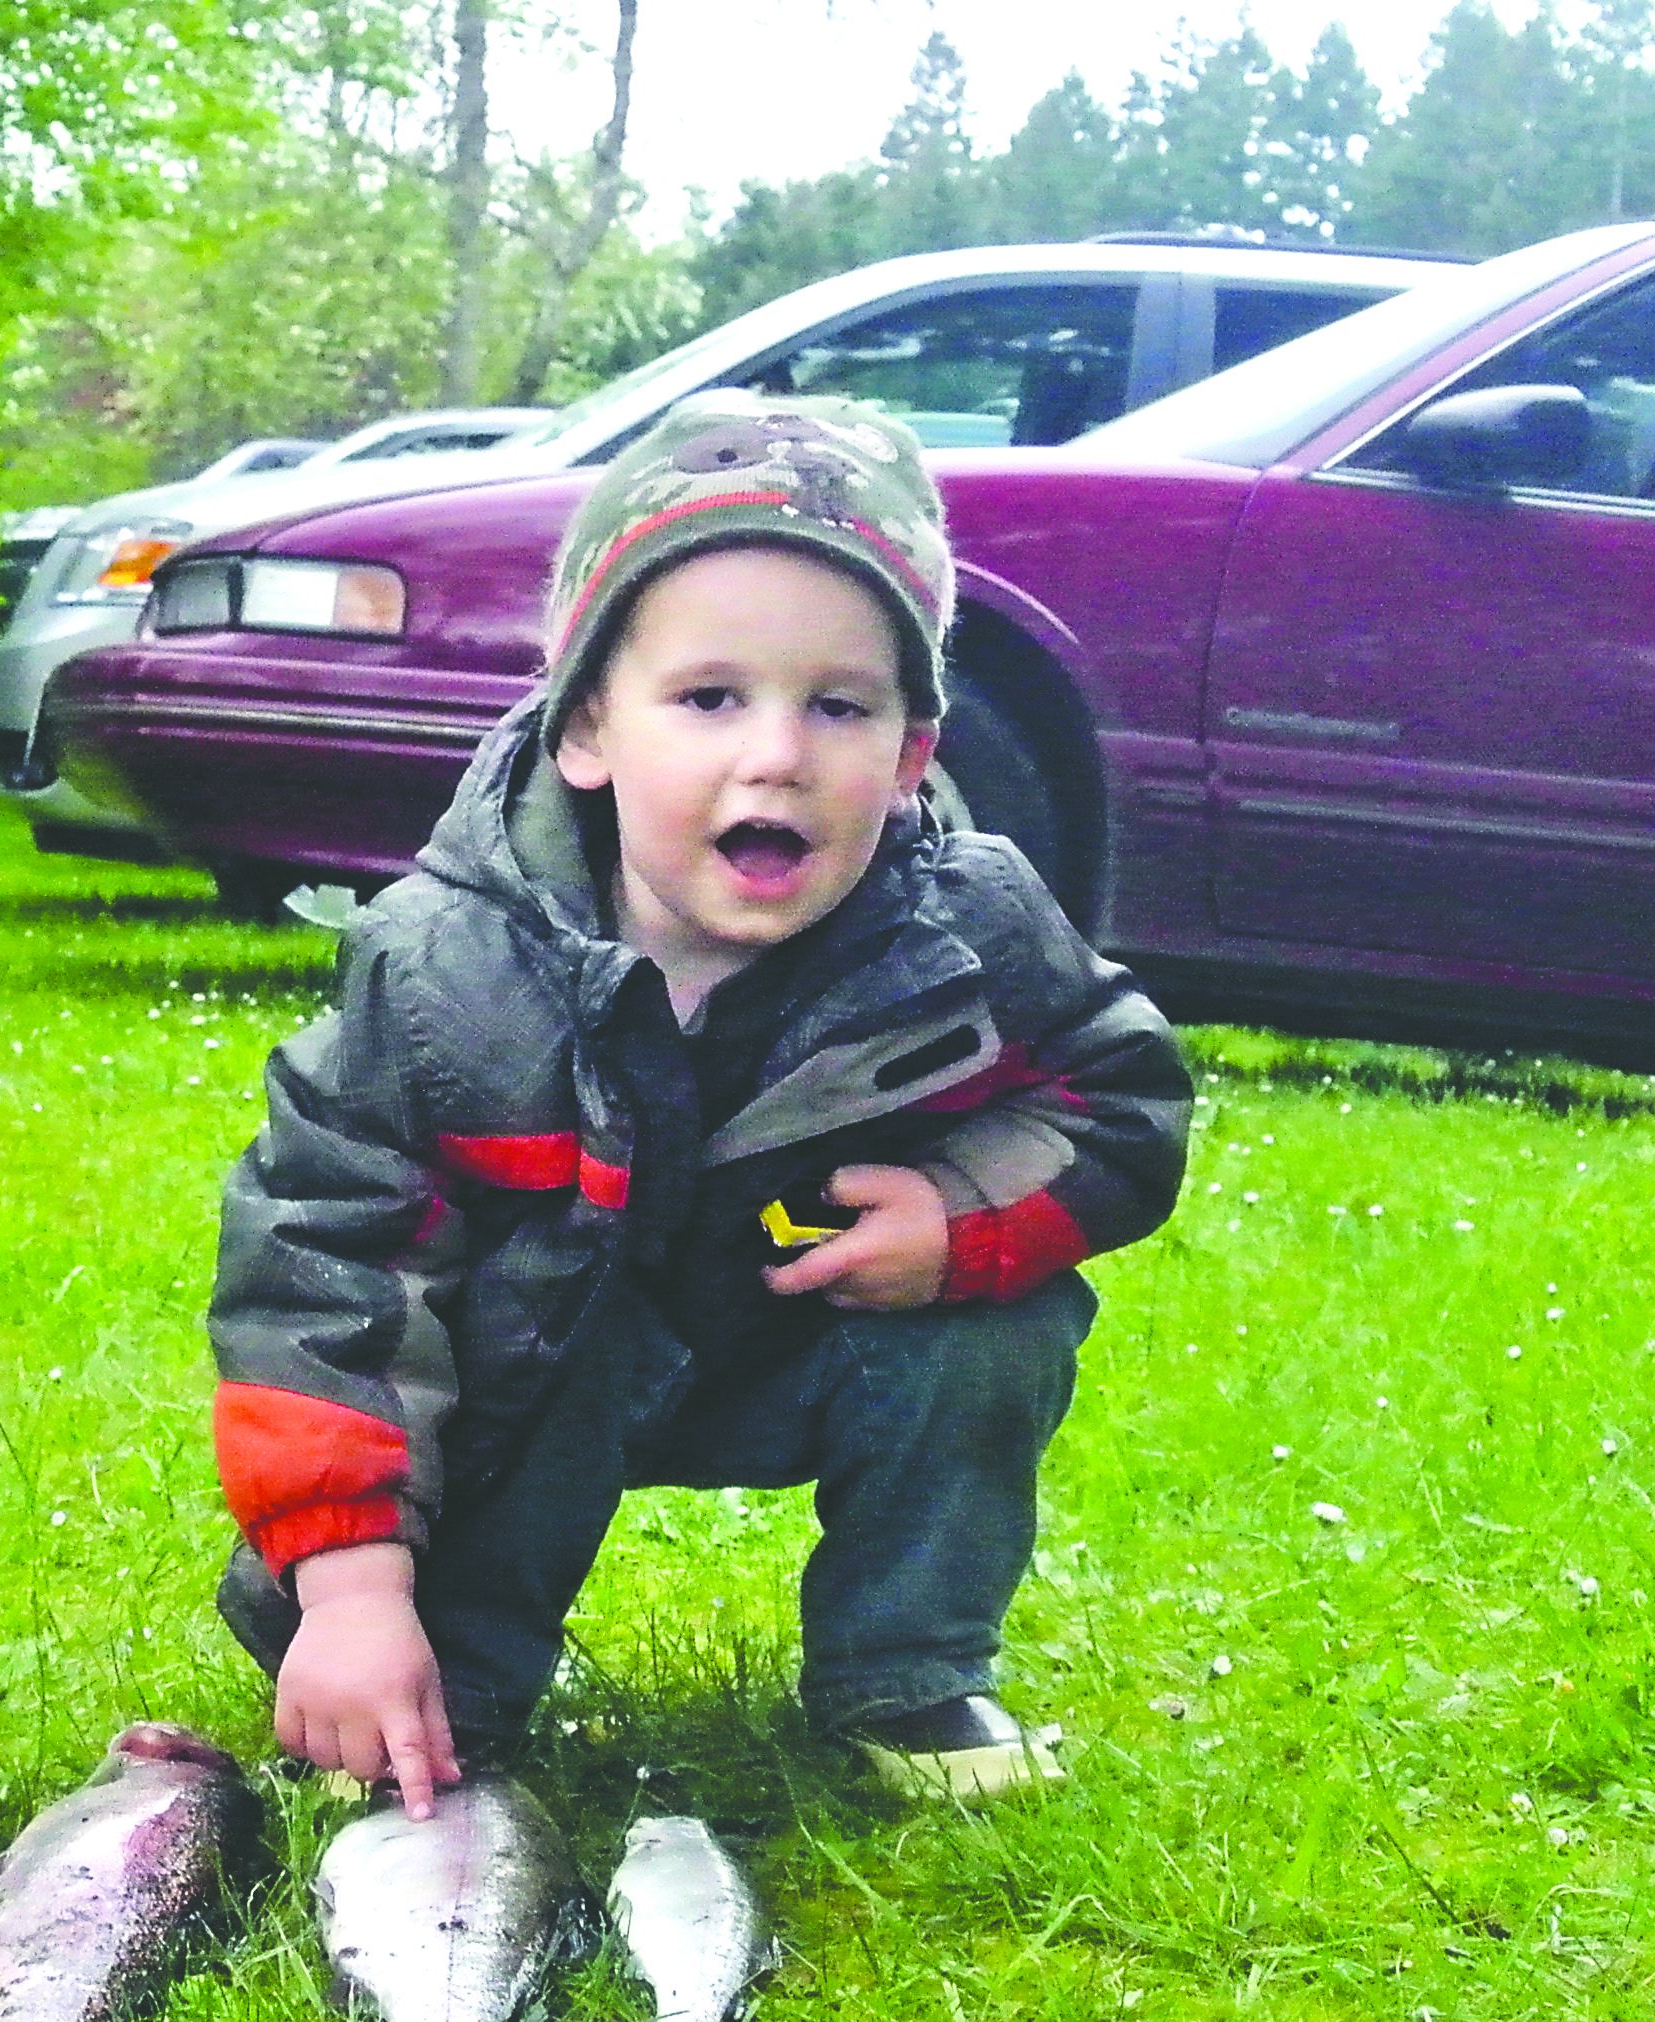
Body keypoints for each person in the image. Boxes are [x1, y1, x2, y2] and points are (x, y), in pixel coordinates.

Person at [202, 391, 1193, 1819]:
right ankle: (444, 1668)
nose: (776, 755)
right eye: (710, 697)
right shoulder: (443, 968)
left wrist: (956, 1216)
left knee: (1000, 1320)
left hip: (796, 1342)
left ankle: (906, 1671)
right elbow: (321, 1265)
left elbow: (1126, 1099)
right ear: (585, 728)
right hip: (531, 1377)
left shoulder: (970, 927)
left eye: (839, 706)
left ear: (914, 754)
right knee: (481, 1442)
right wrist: (352, 1588)